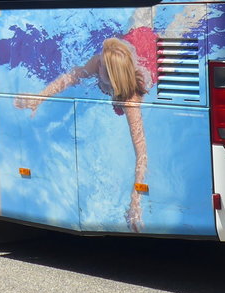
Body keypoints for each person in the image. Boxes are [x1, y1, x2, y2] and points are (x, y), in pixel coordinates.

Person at [15, 37, 150, 231]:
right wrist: (39, 97)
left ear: (113, 75)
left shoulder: (131, 101)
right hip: (129, 47)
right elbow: (72, 76)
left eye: (101, 65)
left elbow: (142, 154)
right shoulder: (100, 61)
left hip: (148, 53)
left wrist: (135, 201)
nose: (96, 63)